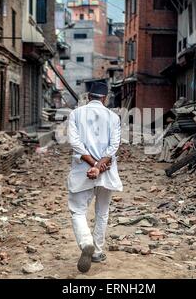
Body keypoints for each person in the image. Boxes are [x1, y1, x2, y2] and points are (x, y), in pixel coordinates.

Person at [67, 82, 123, 273]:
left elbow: (75, 143)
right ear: (105, 98)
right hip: (106, 171)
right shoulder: (113, 117)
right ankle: (97, 251)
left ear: (88, 97)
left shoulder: (75, 114)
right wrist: (100, 167)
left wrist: (93, 166)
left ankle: (86, 242)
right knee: (102, 212)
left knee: (78, 211)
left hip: (83, 170)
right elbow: (113, 146)